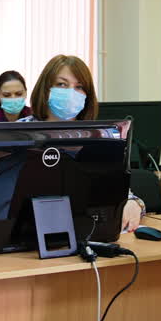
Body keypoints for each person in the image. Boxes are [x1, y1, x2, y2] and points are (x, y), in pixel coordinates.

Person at [23, 54, 143, 231]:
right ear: (45, 89)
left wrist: (133, 204)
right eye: (62, 84)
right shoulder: (20, 133)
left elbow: (120, 191)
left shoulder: (99, 137)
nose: (71, 93)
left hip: (84, 231)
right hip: (26, 230)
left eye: (79, 87)